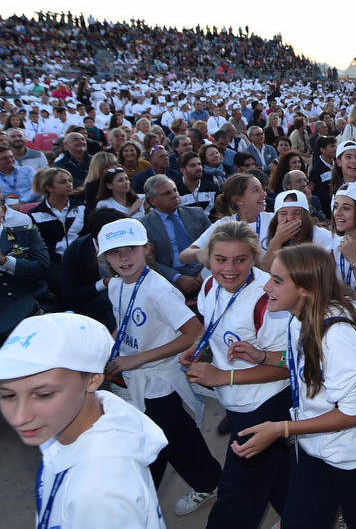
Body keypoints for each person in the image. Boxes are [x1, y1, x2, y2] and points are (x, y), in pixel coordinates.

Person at [225, 244, 356, 528]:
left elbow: (349, 415)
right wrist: (262, 357)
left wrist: (280, 429)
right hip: (314, 448)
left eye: (277, 281)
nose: (266, 286)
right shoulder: (300, 319)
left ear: (304, 289)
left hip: (353, 456)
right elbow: (308, 365)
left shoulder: (337, 337)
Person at [97, 218, 223, 515]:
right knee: (176, 434)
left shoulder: (158, 290)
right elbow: (124, 323)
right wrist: (108, 348)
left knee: (149, 447)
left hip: (159, 381)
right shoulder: (116, 285)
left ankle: (136, 509)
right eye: (115, 253)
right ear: (105, 259)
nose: (124, 257)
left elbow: (195, 333)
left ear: (147, 249)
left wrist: (137, 359)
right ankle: (209, 480)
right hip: (136, 378)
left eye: (131, 249)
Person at [0, 312, 169, 528]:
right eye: (7, 395)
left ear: (93, 380)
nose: (19, 417)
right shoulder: (60, 427)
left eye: (44, 395)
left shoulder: (99, 495)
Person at [179, 221, 292, 529]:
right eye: (221, 260)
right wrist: (199, 349)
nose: (230, 269)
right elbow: (213, 328)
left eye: (240, 260)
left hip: (264, 406)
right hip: (235, 402)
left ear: (253, 258)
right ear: (208, 260)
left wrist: (223, 378)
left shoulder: (269, 298)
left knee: (235, 499)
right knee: (279, 476)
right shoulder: (208, 286)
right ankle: (311, 517)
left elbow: (288, 363)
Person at [140, 175, 211, 295]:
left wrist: (206, 271)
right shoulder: (144, 225)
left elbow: (215, 243)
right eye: (166, 193)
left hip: (205, 268)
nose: (174, 195)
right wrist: (176, 277)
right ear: (153, 200)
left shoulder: (197, 213)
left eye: (175, 190)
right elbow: (148, 261)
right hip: (172, 276)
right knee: (165, 295)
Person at [181, 173, 275, 264]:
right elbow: (184, 257)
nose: (264, 194)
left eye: (263, 189)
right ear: (238, 199)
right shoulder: (224, 224)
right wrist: (200, 253)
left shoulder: (274, 219)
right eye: (256, 190)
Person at [0, 202, 50, 334]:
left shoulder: (25, 234)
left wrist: (5, 261)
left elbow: (43, 268)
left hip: (31, 301)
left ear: (2, 210)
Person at [260, 190, 335, 271]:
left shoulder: (322, 238)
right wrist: (277, 241)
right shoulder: (273, 235)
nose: (290, 219)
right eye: (283, 213)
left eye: (297, 213)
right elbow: (264, 270)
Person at [0, 144, 40, 211]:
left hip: (32, 206)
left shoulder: (28, 170)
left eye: (11, 156)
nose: (10, 160)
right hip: (8, 210)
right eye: (5, 158)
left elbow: (37, 189)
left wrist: (22, 202)